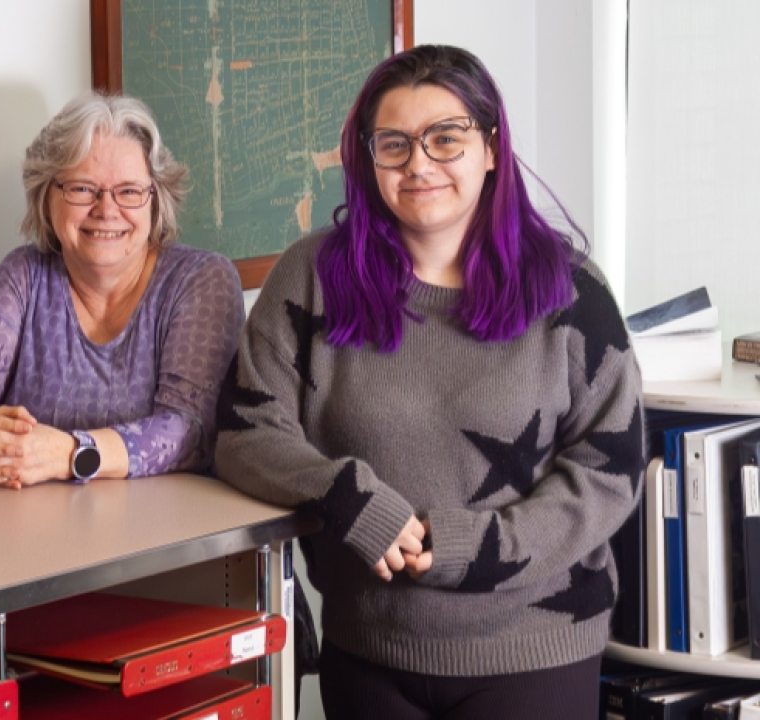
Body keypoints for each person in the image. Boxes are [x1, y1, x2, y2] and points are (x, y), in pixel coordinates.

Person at [214, 45, 644, 719]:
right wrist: (345, 493)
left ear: (491, 148)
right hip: (370, 647)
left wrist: (480, 550)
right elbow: (245, 433)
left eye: (446, 138)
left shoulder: (571, 290)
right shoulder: (311, 279)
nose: (420, 164)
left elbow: (608, 468)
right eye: (395, 144)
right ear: (368, 158)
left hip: (535, 650)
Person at [0, 92, 244, 488]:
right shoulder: (25, 274)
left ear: (157, 200)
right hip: (32, 528)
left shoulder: (201, 280)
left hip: (163, 535)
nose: (106, 209)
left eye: (129, 191)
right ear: (46, 195)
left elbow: (190, 432)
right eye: (83, 189)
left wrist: (70, 454)